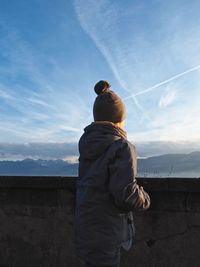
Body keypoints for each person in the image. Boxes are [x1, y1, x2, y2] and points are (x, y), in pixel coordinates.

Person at [74, 80, 150, 267]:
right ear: (120, 119)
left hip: (86, 230)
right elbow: (126, 195)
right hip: (108, 233)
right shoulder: (122, 146)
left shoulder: (86, 145)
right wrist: (145, 197)